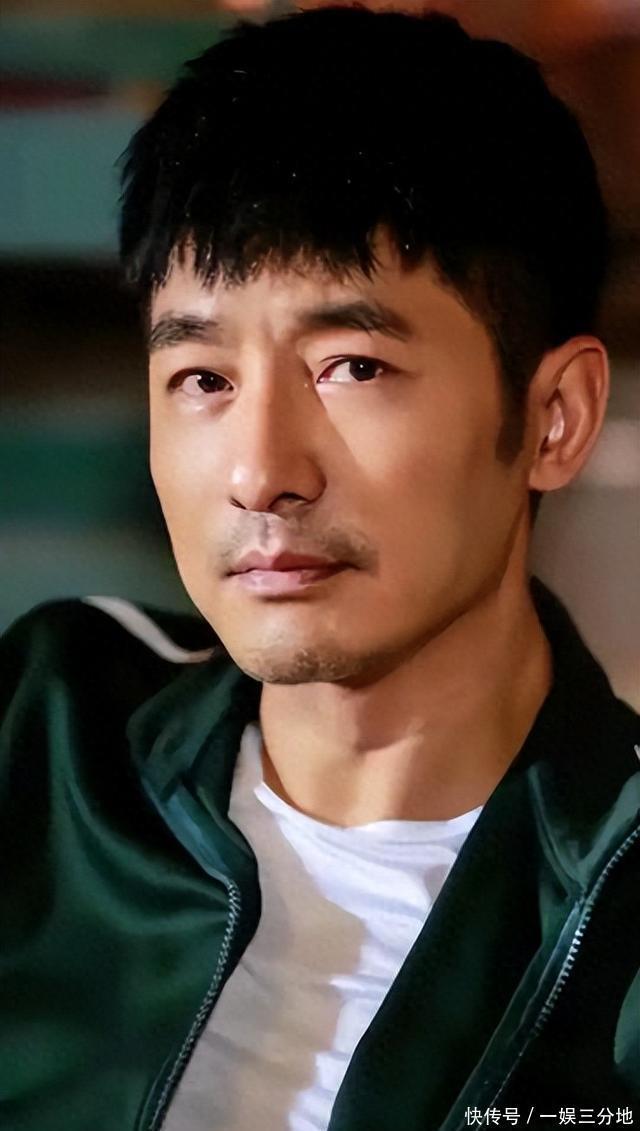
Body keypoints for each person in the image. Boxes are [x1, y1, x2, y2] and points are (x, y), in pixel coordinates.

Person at [1, 7, 638, 1130]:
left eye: (352, 366)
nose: (260, 472)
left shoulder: (618, 910)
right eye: (203, 379)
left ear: (554, 417)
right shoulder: (49, 735)